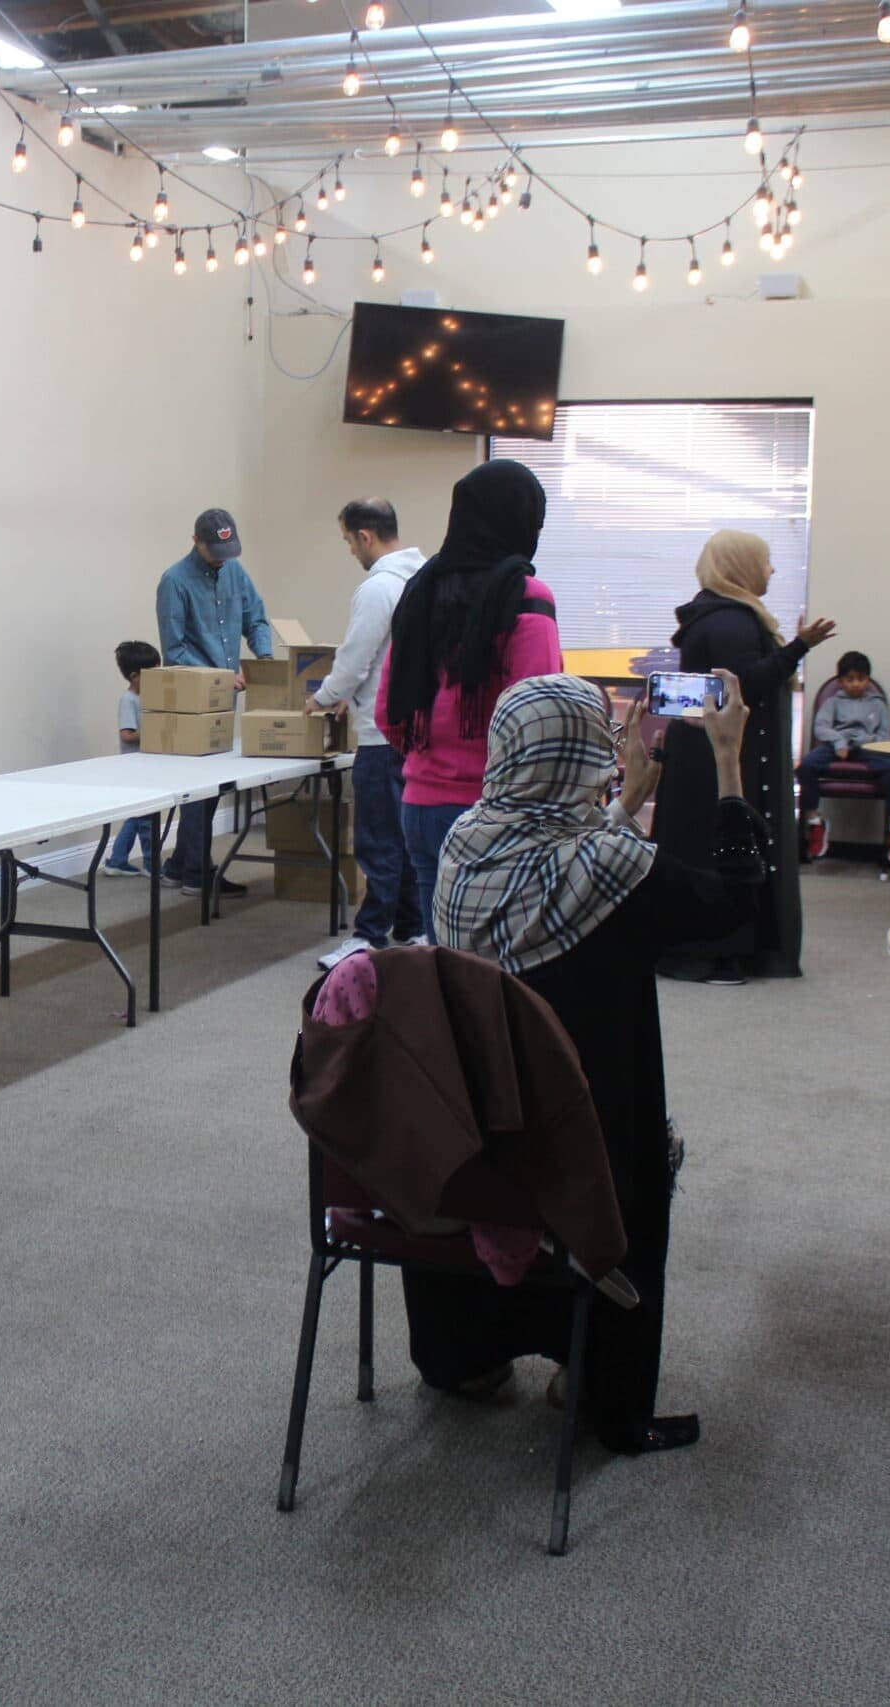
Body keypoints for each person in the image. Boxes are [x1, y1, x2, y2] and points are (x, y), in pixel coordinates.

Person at [413, 670, 768, 1453]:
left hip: (471, 1138)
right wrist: (728, 761)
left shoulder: (463, 844)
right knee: (632, 1156)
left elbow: (550, 860)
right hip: (584, 1155)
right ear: (582, 753)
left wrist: (622, 806)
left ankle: (467, 1356)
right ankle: (597, 1380)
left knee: (509, 1137)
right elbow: (738, 904)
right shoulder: (614, 868)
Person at [376, 460, 564, 921]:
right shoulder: (525, 597)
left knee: (442, 956)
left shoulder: (421, 591)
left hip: (420, 805)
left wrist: (435, 760)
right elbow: (538, 719)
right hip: (495, 813)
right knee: (494, 959)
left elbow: (388, 713)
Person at [655, 530, 833, 982]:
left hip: (706, 755)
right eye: (765, 560)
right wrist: (799, 647)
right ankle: (717, 953)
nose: (771, 570)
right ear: (740, 565)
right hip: (717, 760)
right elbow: (745, 686)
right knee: (720, 852)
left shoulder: (716, 613)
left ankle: (720, 951)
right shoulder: (730, 620)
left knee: (706, 847)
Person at [308, 498, 426, 969]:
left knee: (378, 839)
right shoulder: (421, 578)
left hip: (380, 735)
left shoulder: (378, 588)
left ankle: (369, 935)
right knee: (405, 836)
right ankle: (412, 926)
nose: (350, 551)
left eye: (348, 541)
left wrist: (323, 696)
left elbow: (357, 656)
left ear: (365, 536)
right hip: (413, 731)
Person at [155, 508, 273, 898]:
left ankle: (178, 865)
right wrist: (220, 676)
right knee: (199, 788)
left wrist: (264, 658)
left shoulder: (235, 572)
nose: (222, 559)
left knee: (212, 786)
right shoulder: (175, 581)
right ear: (196, 541)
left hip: (227, 697)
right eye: (215, 551)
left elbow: (256, 618)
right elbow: (174, 651)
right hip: (193, 700)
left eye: (228, 550)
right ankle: (195, 873)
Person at [794, 649, 890, 864]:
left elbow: (885, 736)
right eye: (850, 679)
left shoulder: (877, 704)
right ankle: (815, 822)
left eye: (861, 679)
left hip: (868, 748)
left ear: (868, 680)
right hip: (837, 747)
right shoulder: (833, 702)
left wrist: (864, 741)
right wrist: (839, 741)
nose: (856, 684)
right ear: (840, 681)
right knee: (807, 765)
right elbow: (821, 728)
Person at [105, 640, 163, 877]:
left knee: (137, 817)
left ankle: (116, 861)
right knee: (147, 819)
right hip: (136, 767)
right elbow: (127, 735)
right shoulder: (128, 700)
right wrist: (156, 729)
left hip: (149, 764)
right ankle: (152, 864)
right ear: (134, 676)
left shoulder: (150, 696)